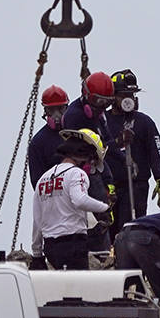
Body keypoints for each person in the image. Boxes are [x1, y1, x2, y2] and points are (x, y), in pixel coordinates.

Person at [105, 69, 160, 238]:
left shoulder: (143, 122)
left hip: (136, 186)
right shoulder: (102, 121)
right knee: (109, 231)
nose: (129, 99)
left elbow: (157, 150)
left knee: (131, 228)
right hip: (109, 188)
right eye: (124, 95)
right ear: (113, 97)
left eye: (132, 94)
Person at [31, 128, 110, 271]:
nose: (90, 168)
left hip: (50, 247)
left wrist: (37, 253)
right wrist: (105, 208)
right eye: (92, 162)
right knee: (78, 289)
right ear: (84, 155)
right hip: (73, 244)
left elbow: (37, 219)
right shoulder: (76, 173)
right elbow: (79, 200)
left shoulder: (43, 179)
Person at [63, 71, 122, 252]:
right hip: (83, 175)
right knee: (93, 220)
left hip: (97, 171)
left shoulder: (99, 116)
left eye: (107, 102)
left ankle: (104, 251)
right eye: (99, 102)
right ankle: (95, 253)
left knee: (105, 219)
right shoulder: (75, 115)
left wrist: (109, 182)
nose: (102, 107)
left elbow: (104, 147)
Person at [27, 85, 70, 186]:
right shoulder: (38, 143)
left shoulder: (78, 133)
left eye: (60, 108)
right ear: (45, 111)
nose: (56, 114)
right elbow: (37, 183)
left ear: (67, 108)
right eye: (51, 110)